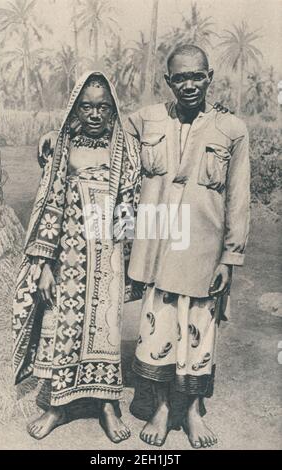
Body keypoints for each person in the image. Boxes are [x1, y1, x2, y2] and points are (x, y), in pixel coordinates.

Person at [126, 44, 250, 448]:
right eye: (180, 77)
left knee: (200, 332)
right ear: (168, 81)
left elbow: (238, 197)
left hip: (204, 250)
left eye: (197, 75)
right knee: (158, 327)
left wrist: (229, 258)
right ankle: (162, 408)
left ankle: (193, 412)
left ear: (210, 76)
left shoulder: (232, 129)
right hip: (159, 246)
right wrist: (54, 135)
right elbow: (101, 125)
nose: (190, 84)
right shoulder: (148, 118)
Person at [12, 71, 141, 443]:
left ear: (113, 109)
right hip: (68, 258)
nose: (95, 114)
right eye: (87, 106)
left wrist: (124, 254)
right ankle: (56, 406)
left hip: (108, 257)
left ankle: (107, 405)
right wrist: (46, 265)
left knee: (107, 329)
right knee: (62, 326)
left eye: (103, 106)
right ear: (75, 109)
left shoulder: (126, 148)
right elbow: (51, 207)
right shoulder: (64, 148)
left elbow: (129, 205)